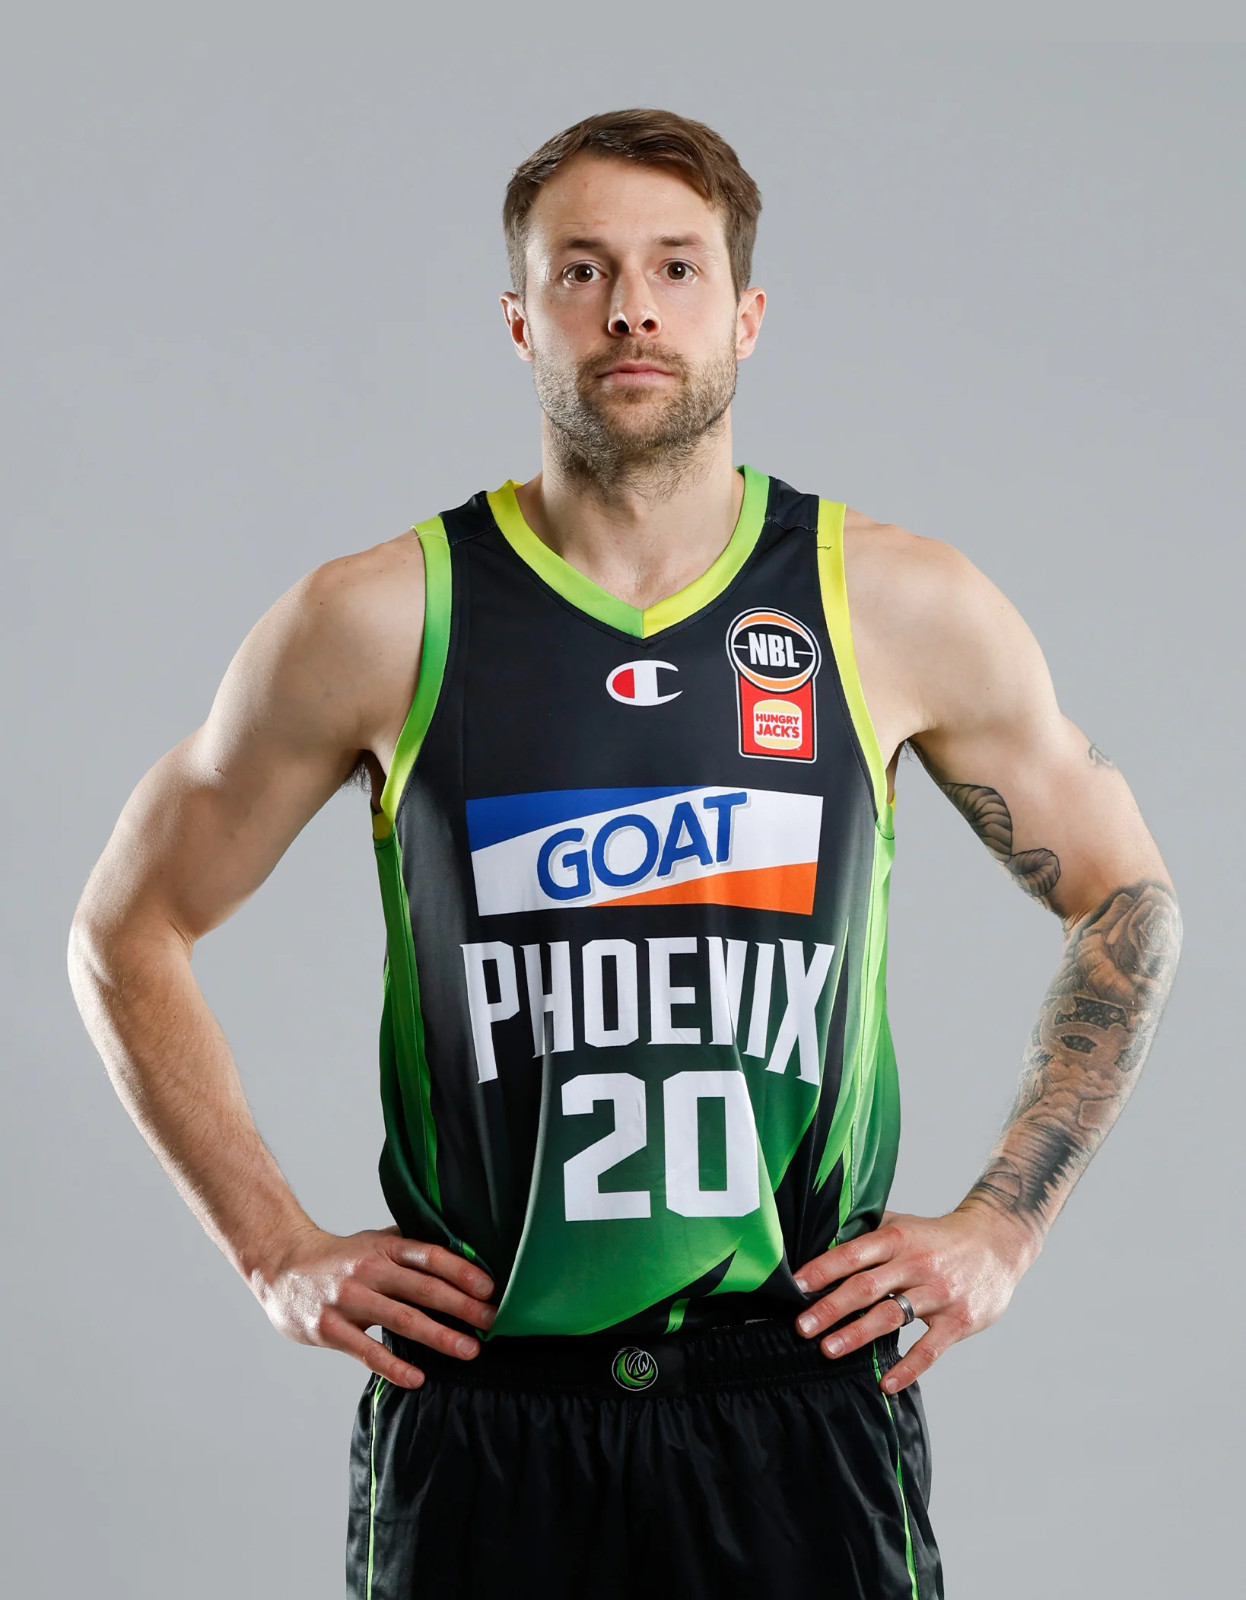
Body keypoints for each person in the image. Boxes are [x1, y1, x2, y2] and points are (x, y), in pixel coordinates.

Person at [68, 108, 1182, 1600]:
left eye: (676, 266)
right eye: (582, 270)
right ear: (521, 318)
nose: (632, 308)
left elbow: (1126, 898)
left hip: (791, 1397)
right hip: (487, 1409)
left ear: (746, 314)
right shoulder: (379, 618)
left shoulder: (890, 605)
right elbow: (126, 930)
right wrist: (270, 1244)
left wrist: (1005, 1221)